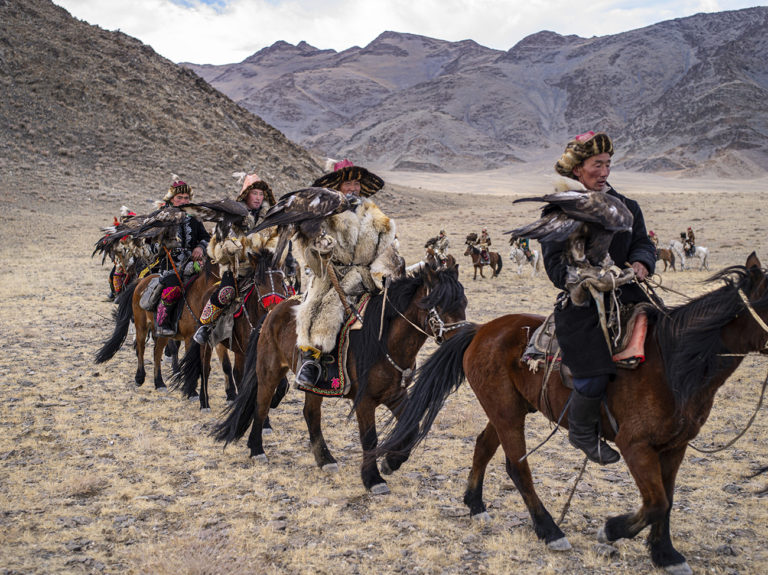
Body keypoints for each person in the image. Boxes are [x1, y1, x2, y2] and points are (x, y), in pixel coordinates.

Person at [541, 131, 656, 465]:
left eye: (608, 164)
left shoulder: (628, 206)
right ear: (578, 170)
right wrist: (582, 279)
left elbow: (643, 243)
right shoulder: (560, 211)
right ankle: (581, 431)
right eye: (597, 164)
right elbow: (553, 265)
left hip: (629, 291)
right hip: (583, 302)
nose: (604, 171)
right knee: (591, 369)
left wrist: (641, 262)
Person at [294, 159, 402, 388]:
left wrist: (382, 272)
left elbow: (385, 250)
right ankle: (311, 360)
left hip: (366, 277)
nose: (353, 188)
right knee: (318, 307)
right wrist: (319, 251)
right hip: (331, 276)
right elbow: (310, 255)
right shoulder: (322, 216)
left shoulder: (378, 219)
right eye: (348, 184)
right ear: (337, 188)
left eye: (356, 183)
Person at [193, 174, 277, 344]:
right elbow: (217, 243)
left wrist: (267, 252)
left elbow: (275, 239)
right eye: (255, 193)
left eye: (261, 194)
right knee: (225, 292)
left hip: (263, 268)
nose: (258, 198)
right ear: (246, 194)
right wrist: (229, 249)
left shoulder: (270, 217)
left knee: (284, 292)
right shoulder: (230, 215)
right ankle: (206, 325)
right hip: (237, 269)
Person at [154, 179, 210, 336]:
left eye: (187, 198)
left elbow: (205, 237)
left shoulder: (194, 218)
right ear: (172, 199)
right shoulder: (163, 217)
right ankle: (162, 322)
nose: (184, 201)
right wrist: (164, 242)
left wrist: (200, 247)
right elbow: (152, 240)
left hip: (193, 263)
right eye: (180, 198)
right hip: (170, 265)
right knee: (173, 289)